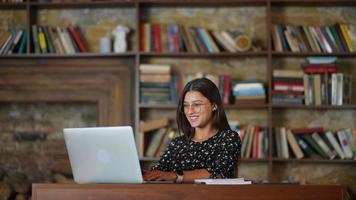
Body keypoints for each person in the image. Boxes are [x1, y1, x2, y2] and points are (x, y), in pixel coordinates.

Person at [143, 77, 241, 183]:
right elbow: (159, 172)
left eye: (197, 104)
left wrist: (175, 175)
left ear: (214, 106)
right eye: (186, 106)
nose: (190, 111)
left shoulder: (228, 138)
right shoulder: (177, 144)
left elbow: (219, 173)